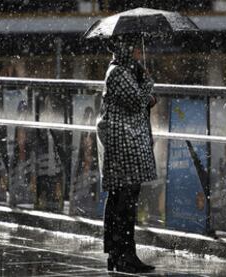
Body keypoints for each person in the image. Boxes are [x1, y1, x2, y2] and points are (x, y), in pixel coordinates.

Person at [96, 36, 158, 274]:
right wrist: (148, 83)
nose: (138, 52)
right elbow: (136, 102)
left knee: (122, 200)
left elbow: (138, 101)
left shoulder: (124, 71)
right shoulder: (119, 73)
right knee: (124, 202)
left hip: (126, 143)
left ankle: (118, 253)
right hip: (124, 145)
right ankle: (124, 255)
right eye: (134, 48)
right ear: (124, 49)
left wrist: (144, 89)